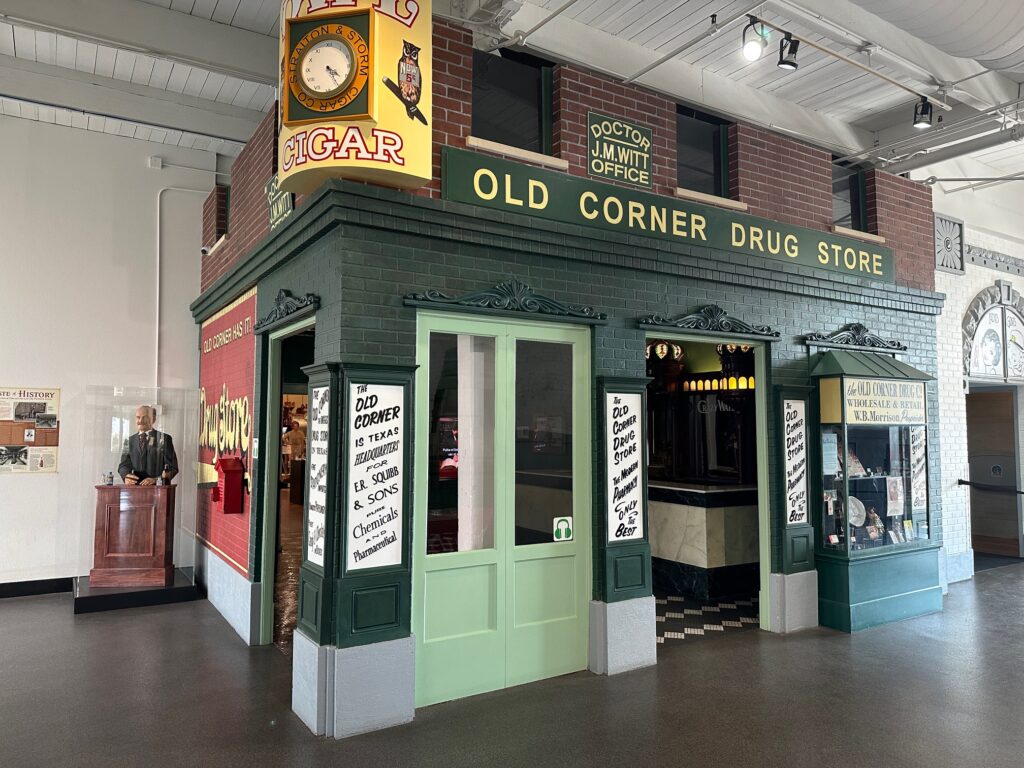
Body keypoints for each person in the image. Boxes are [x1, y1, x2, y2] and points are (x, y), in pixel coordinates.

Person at [118, 405, 179, 486]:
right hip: (133, 490)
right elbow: (123, 465)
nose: (140, 420)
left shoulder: (164, 439)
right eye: (138, 417)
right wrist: (126, 476)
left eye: (144, 417)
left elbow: (173, 467)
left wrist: (156, 479)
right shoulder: (129, 441)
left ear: (153, 419)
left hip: (157, 490)